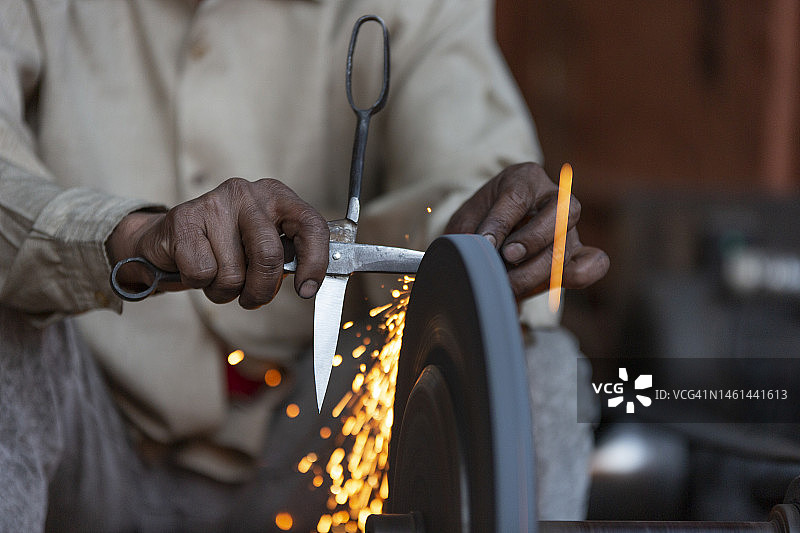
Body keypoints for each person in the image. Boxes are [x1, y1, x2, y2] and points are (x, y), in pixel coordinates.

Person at [0, 0, 609, 531]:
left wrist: (480, 245)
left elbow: (461, 164)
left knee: (538, 368)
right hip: (90, 437)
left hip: (307, 448)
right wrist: (127, 235)